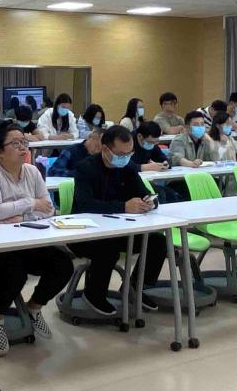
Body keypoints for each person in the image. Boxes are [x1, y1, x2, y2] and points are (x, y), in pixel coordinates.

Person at [0, 125, 73, 356]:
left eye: (24, 143)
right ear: (0, 151)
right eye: (15, 143)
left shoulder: (32, 171)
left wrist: (22, 216)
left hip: (26, 238)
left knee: (62, 264)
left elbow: (49, 209)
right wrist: (30, 203)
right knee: (15, 274)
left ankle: (33, 307)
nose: (22, 148)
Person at [70, 125, 169, 314]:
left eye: (129, 153)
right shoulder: (85, 168)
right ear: (105, 149)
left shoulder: (127, 167)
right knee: (107, 248)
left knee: (157, 242)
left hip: (120, 229)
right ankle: (94, 295)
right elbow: (85, 205)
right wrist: (123, 207)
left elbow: (145, 193)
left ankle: (135, 287)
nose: (125, 157)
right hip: (85, 233)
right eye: (121, 154)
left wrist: (149, 202)